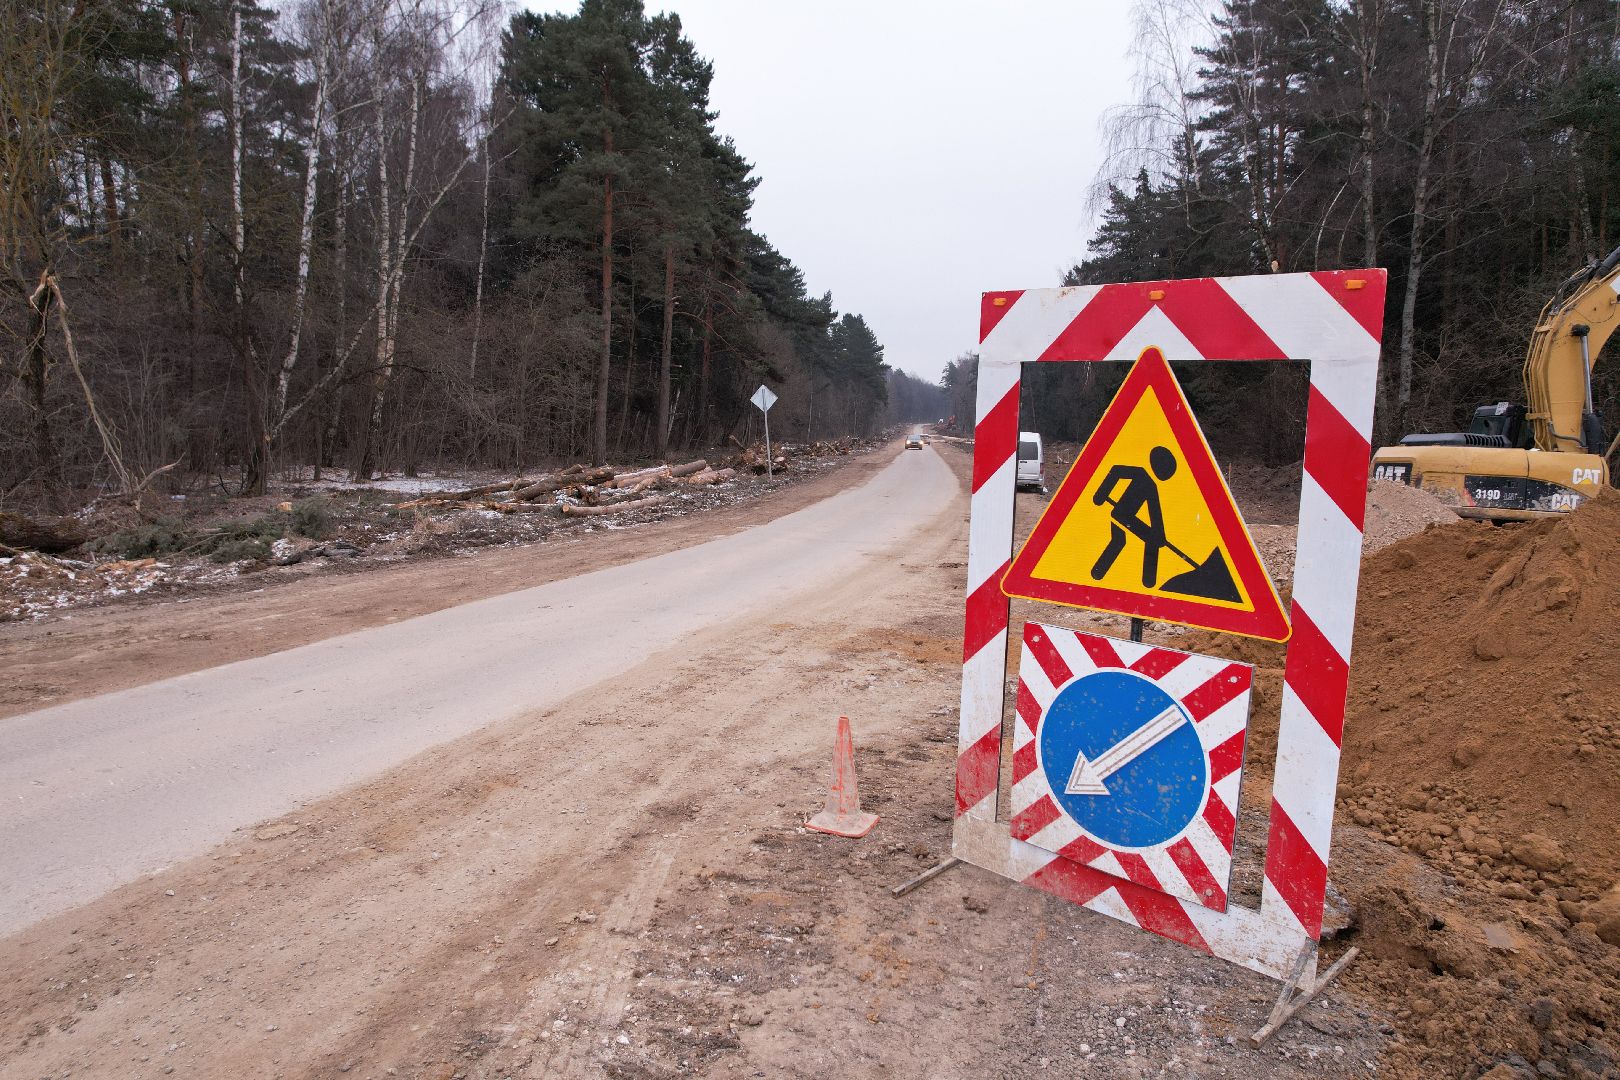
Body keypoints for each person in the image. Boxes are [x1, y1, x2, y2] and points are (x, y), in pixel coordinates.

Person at [1089, 446, 1178, 587]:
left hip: (1124, 517)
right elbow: (1116, 470)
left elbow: (1155, 514)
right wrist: (1100, 494)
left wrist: (1160, 534)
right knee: (1132, 541)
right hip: (1121, 515)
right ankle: (1148, 581)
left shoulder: (1151, 485)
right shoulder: (1141, 474)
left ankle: (1097, 574)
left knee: (1121, 541)